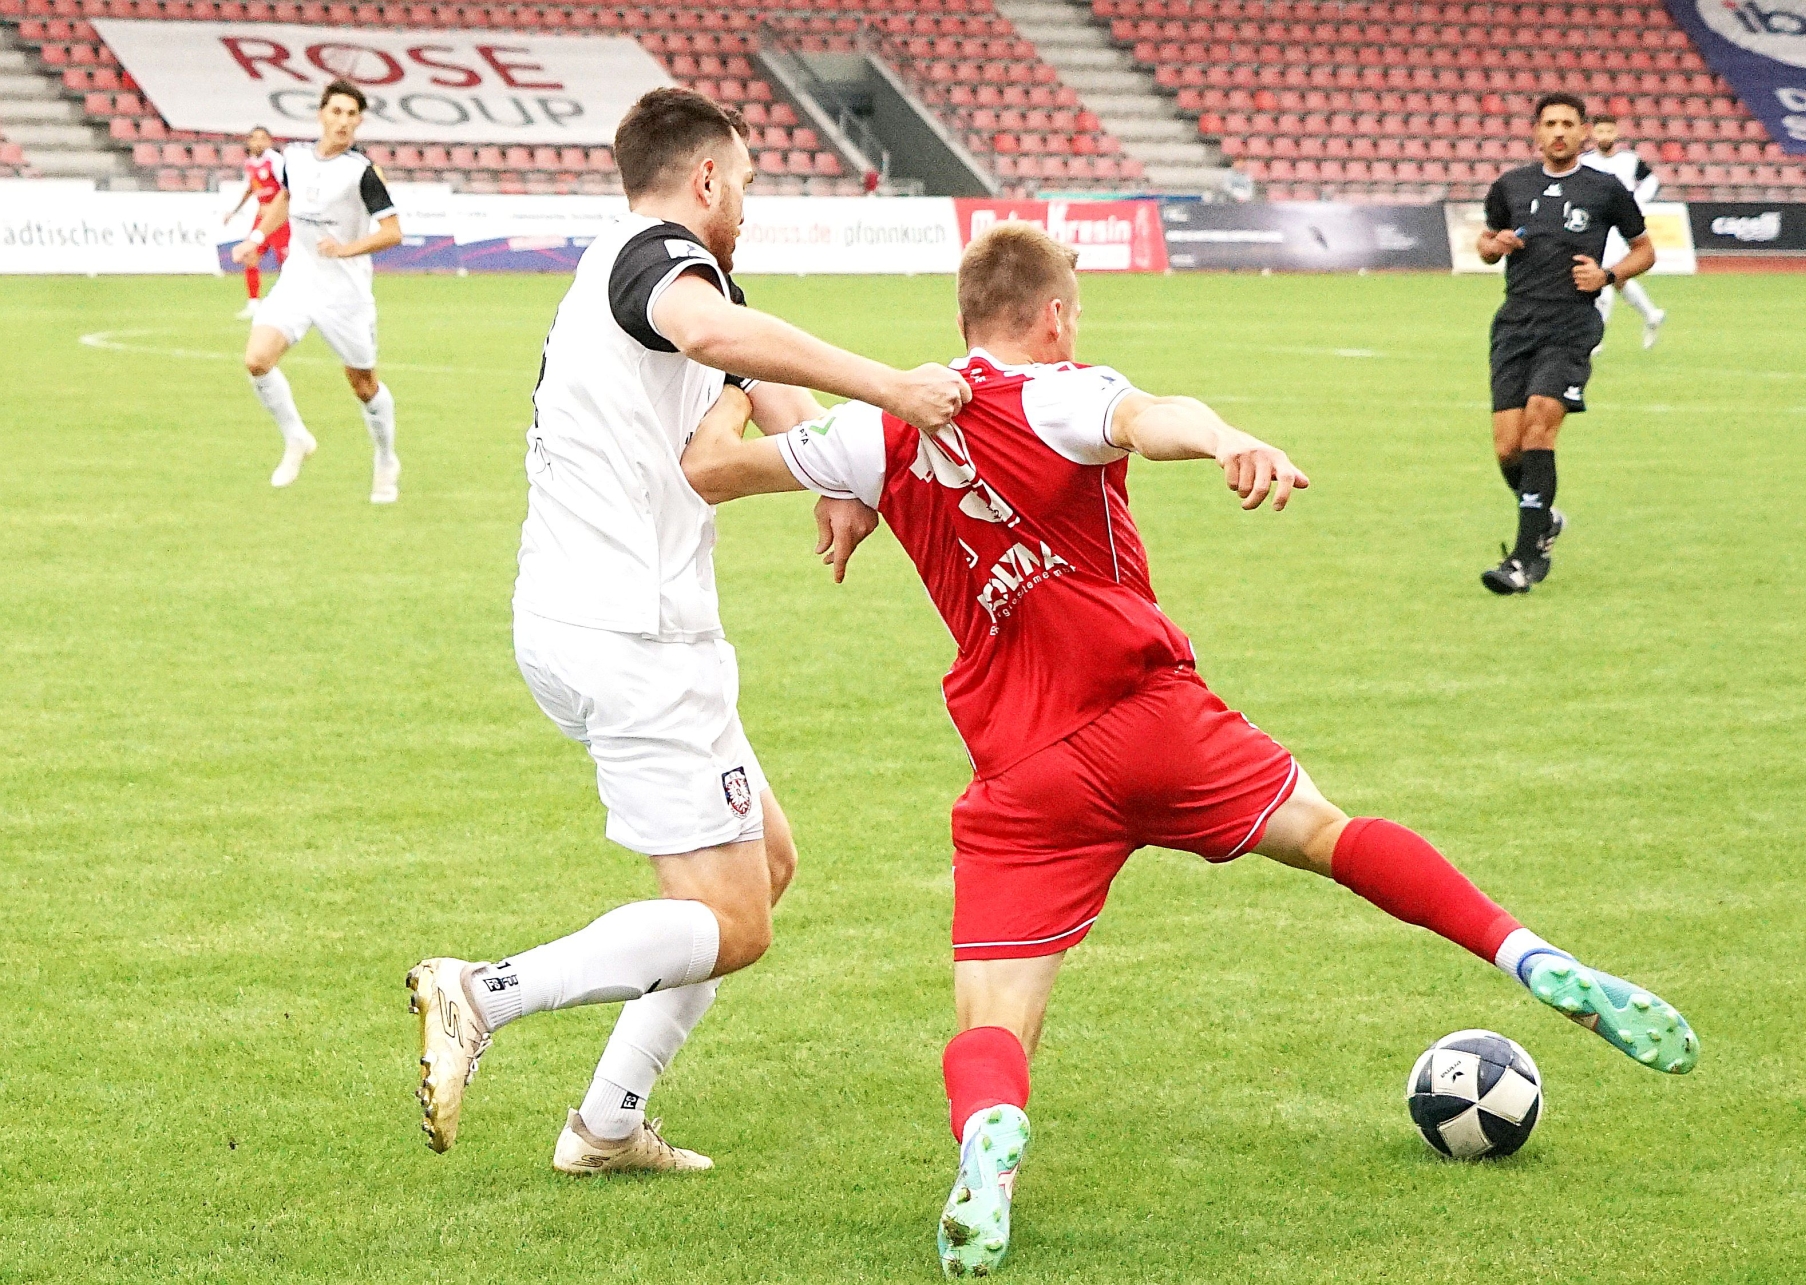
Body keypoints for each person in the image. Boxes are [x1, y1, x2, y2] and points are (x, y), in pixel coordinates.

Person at [679, 221, 1699, 1278]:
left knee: (994, 1014)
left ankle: (990, 1136)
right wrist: (1226, 441)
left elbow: (709, 469)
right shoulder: (1060, 392)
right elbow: (1151, 417)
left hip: (1024, 769)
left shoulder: (876, 427)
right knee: (1328, 836)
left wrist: (741, 382)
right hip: (1150, 718)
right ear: (1055, 317)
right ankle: (1528, 954)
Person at [404, 87, 970, 1175]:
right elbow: (717, 336)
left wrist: (836, 470)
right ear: (706, 178)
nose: (747, 206)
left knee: (768, 861)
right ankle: (482, 992)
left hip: (588, 622)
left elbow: (747, 369)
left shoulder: (654, 279)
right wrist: (891, 387)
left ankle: (607, 1127)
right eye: (744, 183)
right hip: (635, 637)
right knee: (734, 921)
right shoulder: (656, 260)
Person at [1476, 91, 1655, 596]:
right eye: (1550, 123)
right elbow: (1485, 244)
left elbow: (1644, 250)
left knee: (1540, 425)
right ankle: (1545, 518)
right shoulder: (1511, 185)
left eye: (1568, 124)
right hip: (1515, 323)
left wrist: (1608, 275)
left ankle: (1523, 560)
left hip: (1571, 324)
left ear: (1583, 133)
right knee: (1507, 448)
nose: (1558, 132)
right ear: (1535, 132)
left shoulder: (1605, 189)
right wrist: (1496, 246)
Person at [235, 80, 403, 502]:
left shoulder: (362, 172)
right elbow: (285, 199)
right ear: (321, 115)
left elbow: (392, 232)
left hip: (345, 292)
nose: (343, 121)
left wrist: (345, 249)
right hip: (298, 281)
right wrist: (257, 238)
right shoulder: (293, 158)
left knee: (364, 386)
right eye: (336, 112)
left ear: (359, 122)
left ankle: (386, 459)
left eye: (352, 115)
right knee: (257, 360)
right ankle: (297, 438)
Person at [1584, 113, 1667, 351]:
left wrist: (1635, 202)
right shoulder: (1585, 161)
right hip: (1595, 224)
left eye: (1609, 131)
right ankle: (1651, 315)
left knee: (1604, 273)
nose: (1605, 136)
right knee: (1618, 278)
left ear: (1616, 133)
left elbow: (1651, 181)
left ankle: (1595, 338)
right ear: (1592, 133)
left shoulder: (1629, 160)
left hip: (1620, 227)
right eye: (1600, 131)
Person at [225, 127, 288, 321]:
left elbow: (286, 188)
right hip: (261, 218)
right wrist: (234, 211)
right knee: (250, 256)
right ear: (249, 142)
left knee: (286, 262)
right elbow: (251, 188)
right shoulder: (249, 164)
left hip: (280, 219)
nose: (258, 142)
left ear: (269, 142)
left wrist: (274, 208)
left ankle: (290, 304)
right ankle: (253, 303)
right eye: (254, 138)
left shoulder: (275, 161)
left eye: (263, 138)